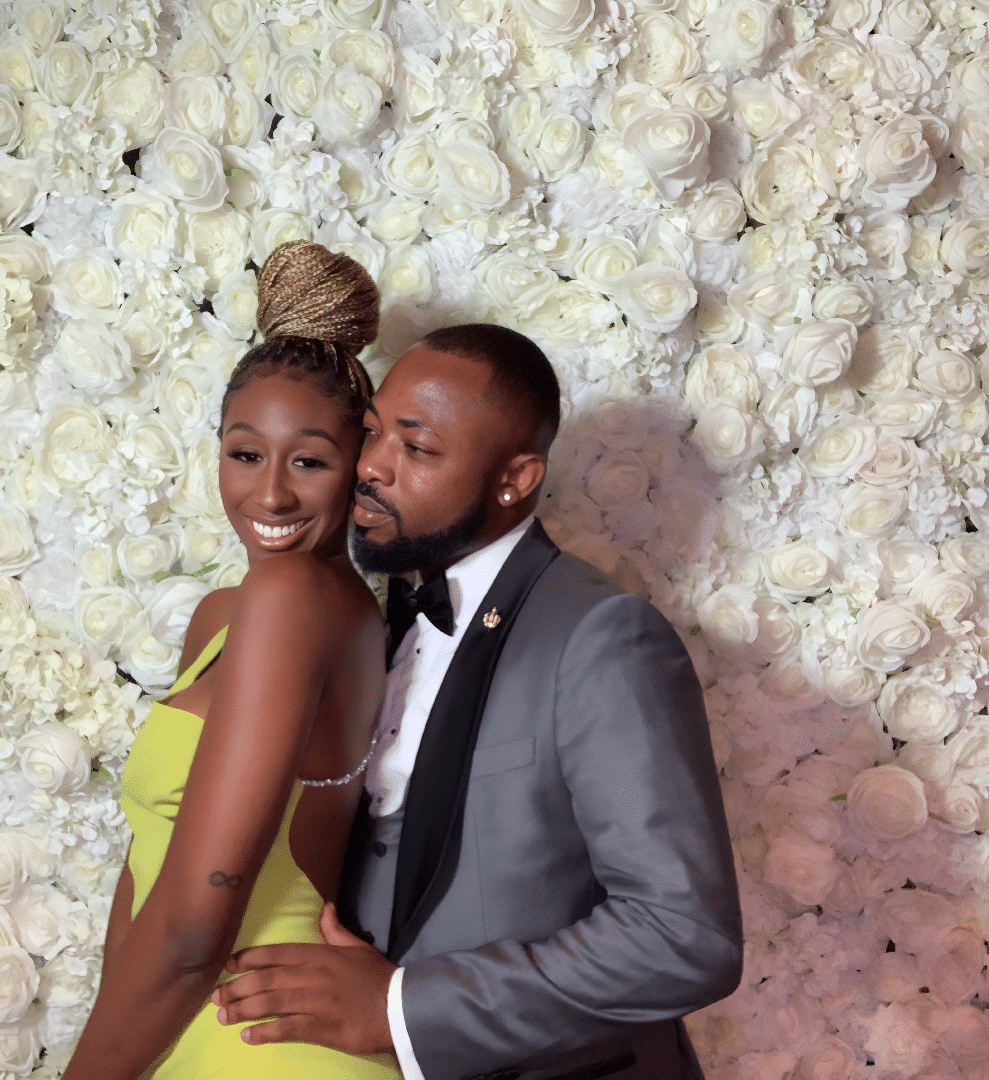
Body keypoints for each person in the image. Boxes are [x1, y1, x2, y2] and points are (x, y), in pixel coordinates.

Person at [211, 324, 744, 1080]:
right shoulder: (368, 614)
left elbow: (682, 937)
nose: (372, 468)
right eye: (371, 434)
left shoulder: (602, 637)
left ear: (514, 478)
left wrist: (399, 1008)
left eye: (417, 449)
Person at [62, 241, 403, 1080]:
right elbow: (150, 874)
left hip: (257, 1048)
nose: (272, 495)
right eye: (245, 454)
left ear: (359, 464)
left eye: (312, 462)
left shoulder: (290, 602)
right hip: (180, 1032)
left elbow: (190, 931)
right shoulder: (232, 613)